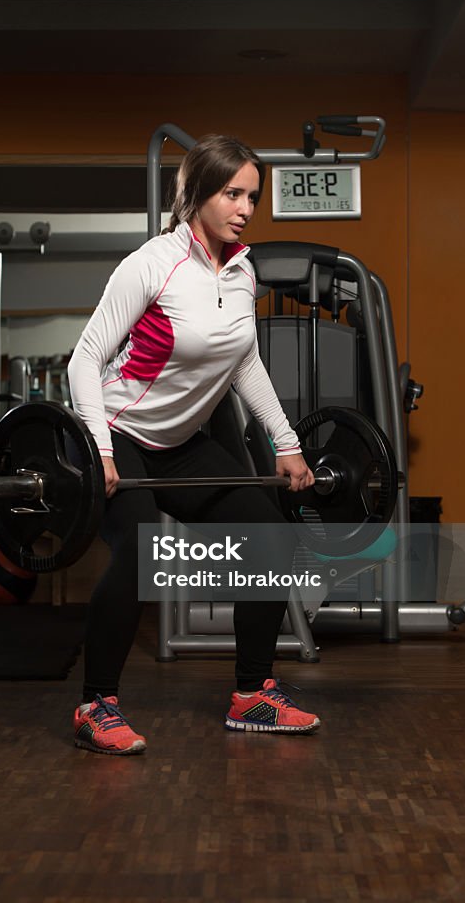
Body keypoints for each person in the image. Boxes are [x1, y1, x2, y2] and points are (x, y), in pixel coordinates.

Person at [67, 133, 321, 755]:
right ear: (198, 194)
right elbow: (85, 358)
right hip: (121, 433)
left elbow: (245, 362)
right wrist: (99, 450)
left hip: (182, 443)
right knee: (135, 549)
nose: (244, 208)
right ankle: (95, 705)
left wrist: (286, 443)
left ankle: (252, 695)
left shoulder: (241, 269)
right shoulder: (152, 264)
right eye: (232, 193)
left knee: (270, 536)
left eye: (252, 196)